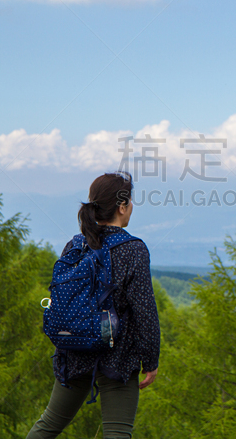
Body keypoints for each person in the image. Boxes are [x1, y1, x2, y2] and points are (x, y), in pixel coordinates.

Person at [27, 171, 160, 439]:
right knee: (117, 433)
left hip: (73, 351)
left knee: (47, 426)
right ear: (122, 207)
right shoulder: (133, 249)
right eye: (130, 201)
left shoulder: (76, 245)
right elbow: (144, 310)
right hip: (118, 358)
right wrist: (151, 360)